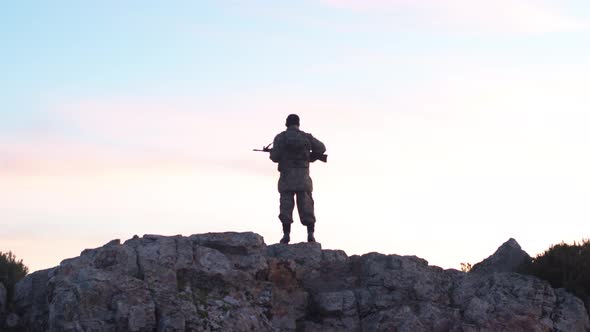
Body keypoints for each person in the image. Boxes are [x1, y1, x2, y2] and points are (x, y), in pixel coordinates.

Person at [269, 114, 326, 244]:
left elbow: (275, 157)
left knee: (286, 207)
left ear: (286, 123)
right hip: (303, 178)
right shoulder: (306, 137)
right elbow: (322, 148)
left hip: (287, 178)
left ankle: (286, 235)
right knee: (306, 206)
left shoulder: (280, 137)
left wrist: (272, 153)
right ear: (298, 123)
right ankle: (310, 234)